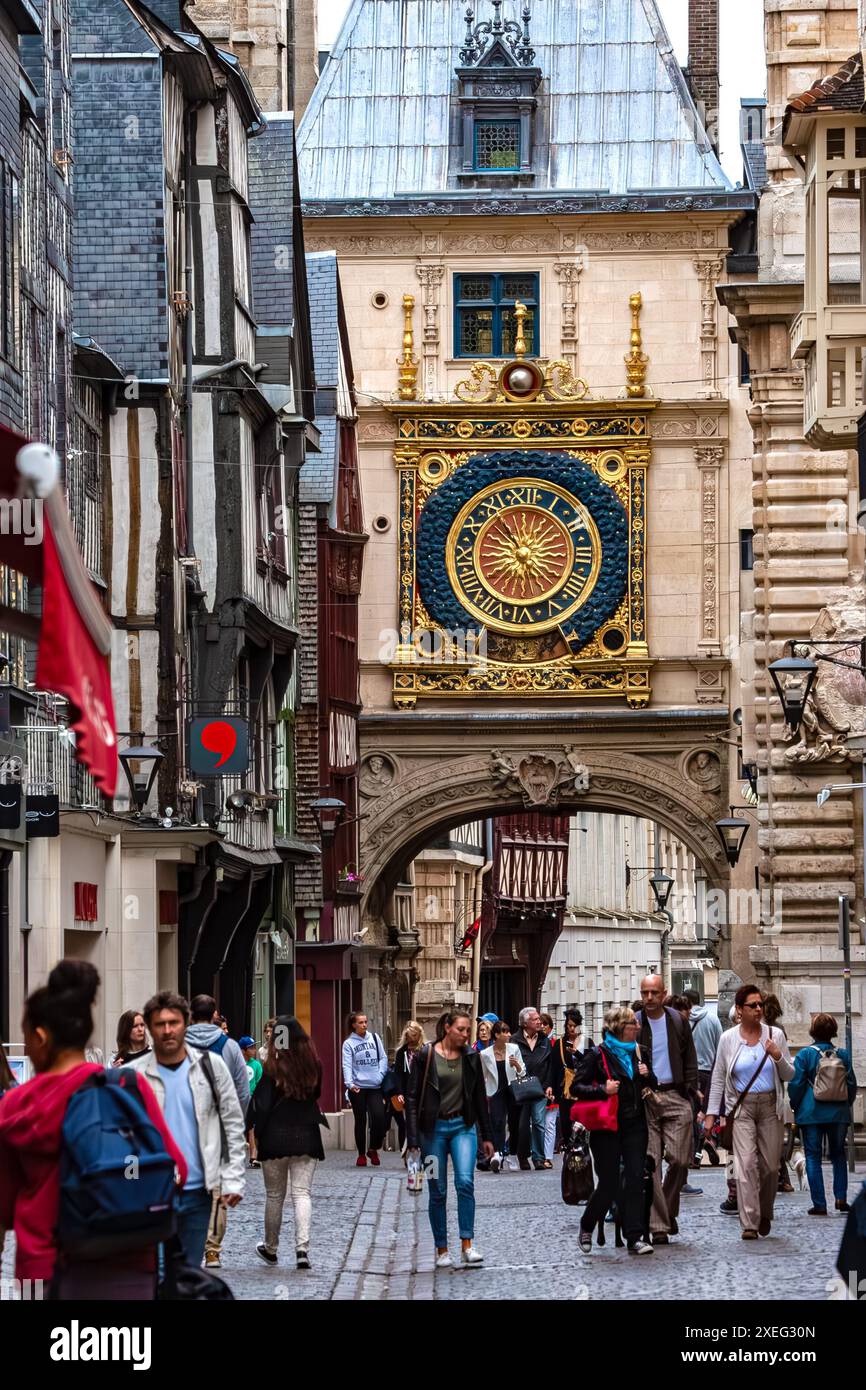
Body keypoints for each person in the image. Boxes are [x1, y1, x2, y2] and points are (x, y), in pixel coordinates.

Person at [0, 961, 186, 1298]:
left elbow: (4, 1206)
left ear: (40, 1037)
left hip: (42, 1273)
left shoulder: (16, 1106)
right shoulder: (129, 1087)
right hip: (128, 1266)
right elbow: (177, 1169)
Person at [127, 990, 246, 1269]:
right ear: (150, 1028)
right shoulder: (134, 1075)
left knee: (186, 1274)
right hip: (153, 1192)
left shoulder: (211, 1067)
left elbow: (231, 1122)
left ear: (186, 1023)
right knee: (155, 1274)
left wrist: (233, 1179)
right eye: (159, 1024)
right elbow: (125, 1137)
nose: (167, 1030)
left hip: (196, 1192)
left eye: (174, 1023)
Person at [704, 983, 795, 1239]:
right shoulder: (728, 1039)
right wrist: (711, 1115)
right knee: (745, 1166)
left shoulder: (775, 1035)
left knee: (770, 1168)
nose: (758, 1009)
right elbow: (719, 1078)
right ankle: (750, 1223)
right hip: (741, 1108)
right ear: (740, 1010)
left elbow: (790, 1073)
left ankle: (765, 1212)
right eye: (752, 1005)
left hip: (769, 1107)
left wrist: (777, 1056)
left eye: (760, 1004)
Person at [406, 1008, 494, 1267]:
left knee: (465, 1182)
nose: (466, 1035)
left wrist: (487, 1136)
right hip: (431, 1132)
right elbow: (411, 1098)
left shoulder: (471, 1057)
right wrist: (413, 1140)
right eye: (461, 1029)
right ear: (447, 1028)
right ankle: (441, 1249)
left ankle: (467, 1244)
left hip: (462, 1128)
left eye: (468, 1030)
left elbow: (479, 1098)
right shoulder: (425, 1055)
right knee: (437, 1190)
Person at [572, 1006, 657, 1256]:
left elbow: (654, 1085)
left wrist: (647, 1075)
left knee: (635, 1180)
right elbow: (577, 1087)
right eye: (633, 1024)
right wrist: (603, 1090)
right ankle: (587, 1224)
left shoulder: (640, 1054)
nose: (638, 1027)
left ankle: (635, 1237)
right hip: (607, 1127)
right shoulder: (597, 1055)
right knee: (608, 1184)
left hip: (634, 1126)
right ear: (620, 1028)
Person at [248, 1015, 326, 1270]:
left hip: (275, 1136)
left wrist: (254, 1130)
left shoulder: (272, 1066)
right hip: (306, 1134)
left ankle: (271, 1248)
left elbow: (260, 1103)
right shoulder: (313, 1065)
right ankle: (302, 1249)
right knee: (302, 1193)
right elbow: (316, 1094)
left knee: (275, 1196)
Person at [185, 993, 250, 1268]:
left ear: (190, 1015)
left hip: (186, 1123)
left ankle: (187, 1243)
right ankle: (212, 1248)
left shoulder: (179, 1043)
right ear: (214, 1015)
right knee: (217, 1190)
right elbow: (242, 1092)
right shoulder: (230, 1046)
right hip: (219, 1125)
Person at [635, 974, 699, 1243]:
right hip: (647, 1098)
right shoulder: (634, 1024)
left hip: (675, 1094)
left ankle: (667, 1210)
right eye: (645, 993)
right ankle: (658, 1226)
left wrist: (691, 1094)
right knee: (651, 1165)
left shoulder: (677, 1021)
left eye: (654, 993)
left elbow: (690, 1058)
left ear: (663, 994)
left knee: (680, 1160)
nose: (649, 998)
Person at [788, 1012, 857, 1216]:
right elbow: (851, 1083)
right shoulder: (843, 1055)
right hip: (838, 1114)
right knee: (838, 1155)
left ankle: (819, 1203)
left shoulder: (804, 1055)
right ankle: (841, 1198)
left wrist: (795, 1104)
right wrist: (846, 1104)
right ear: (833, 1032)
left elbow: (797, 1084)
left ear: (812, 1031)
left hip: (811, 1113)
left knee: (813, 1156)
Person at [511, 1006, 554, 1170]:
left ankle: (538, 1157)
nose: (539, 1022)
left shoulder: (544, 1040)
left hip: (540, 1087)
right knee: (522, 1125)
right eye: (535, 1019)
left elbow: (550, 1065)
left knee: (538, 1122)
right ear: (525, 1023)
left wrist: (549, 1085)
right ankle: (522, 1156)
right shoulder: (514, 1040)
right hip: (521, 1088)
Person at [342, 1011, 388, 1166]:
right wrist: (350, 1084)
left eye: (365, 1022)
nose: (364, 1025)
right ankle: (361, 1154)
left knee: (379, 1118)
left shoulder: (374, 1038)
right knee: (361, 1120)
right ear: (354, 1025)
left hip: (375, 1086)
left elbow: (383, 1057)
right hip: (358, 1088)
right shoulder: (349, 1043)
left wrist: (380, 1074)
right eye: (361, 1022)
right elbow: (347, 1064)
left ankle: (373, 1148)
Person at [479, 1019, 524, 1171]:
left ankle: (511, 1155)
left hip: (512, 1089)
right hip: (495, 1091)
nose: (509, 1034)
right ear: (497, 1035)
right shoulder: (485, 1054)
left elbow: (523, 1072)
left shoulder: (514, 1049)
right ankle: (497, 1154)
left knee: (514, 1123)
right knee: (497, 1122)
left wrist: (516, 1065)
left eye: (509, 1031)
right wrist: (481, 1093)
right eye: (505, 1032)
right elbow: (482, 1076)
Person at [685, 989, 722, 1167]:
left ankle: (695, 1154)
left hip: (690, 1074)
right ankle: (704, 1143)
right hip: (709, 1072)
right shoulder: (713, 1019)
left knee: (692, 1115)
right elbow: (719, 1047)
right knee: (706, 1113)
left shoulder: (681, 1021)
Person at [550, 1007, 588, 1152]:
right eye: (569, 1025)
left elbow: (592, 1063)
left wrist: (577, 1053)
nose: (571, 1029)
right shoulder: (560, 1044)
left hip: (583, 1088)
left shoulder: (587, 1042)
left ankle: (580, 1147)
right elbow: (553, 1069)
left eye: (574, 1026)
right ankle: (568, 1145)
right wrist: (552, 1089)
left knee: (581, 1121)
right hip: (565, 1089)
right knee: (566, 1121)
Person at [393, 1021, 426, 1164]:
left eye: (414, 1035)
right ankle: (408, 1152)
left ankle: (419, 1151)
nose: (412, 1039)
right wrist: (399, 1092)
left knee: (422, 1123)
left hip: (423, 1093)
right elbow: (398, 1074)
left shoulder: (425, 1050)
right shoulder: (402, 1052)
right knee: (408, 1123)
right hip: (407, 1093)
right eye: (409, 1036)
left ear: (419, 1035)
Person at [240, 1036, 263, 1167]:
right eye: (251, 1047)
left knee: (252, 1128)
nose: (254, 1050)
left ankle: (253, 1155)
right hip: (239, 1100)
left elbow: (259, 1082)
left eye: (254, 1047)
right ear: (243, 1050)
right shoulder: (238, 1064)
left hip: (252, 1099)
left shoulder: (256, 1065)